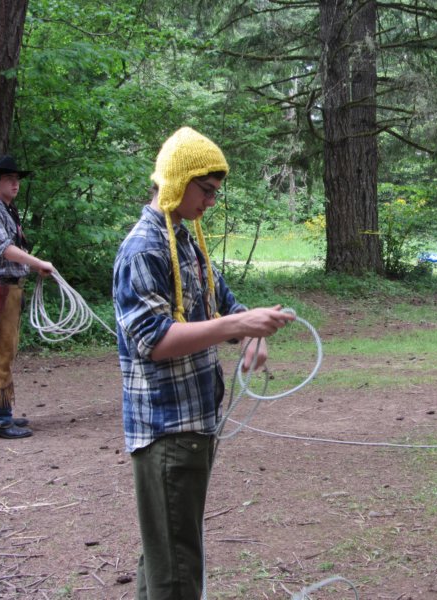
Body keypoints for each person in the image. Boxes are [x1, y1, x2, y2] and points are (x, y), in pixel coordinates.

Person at [113, 127, 295, 600]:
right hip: (166, 429)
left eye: (216, 192)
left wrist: (253, 332)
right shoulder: (143, 249)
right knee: (176, 569)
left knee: (167, 552)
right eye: (206, 190)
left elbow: (224, 305)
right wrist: (238, 327)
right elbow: (155, 341)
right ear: (178, 180)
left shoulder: (186, 241)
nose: (211, 202)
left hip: (194, 424)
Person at [0, 156, 55, 440]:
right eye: (9, 178)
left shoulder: (6, 209)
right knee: (0, 352)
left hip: (7, 287)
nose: (16, 183)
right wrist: (37, 262)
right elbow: (3, 248)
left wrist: (31, 267)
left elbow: (11, 250)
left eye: (17, 179)